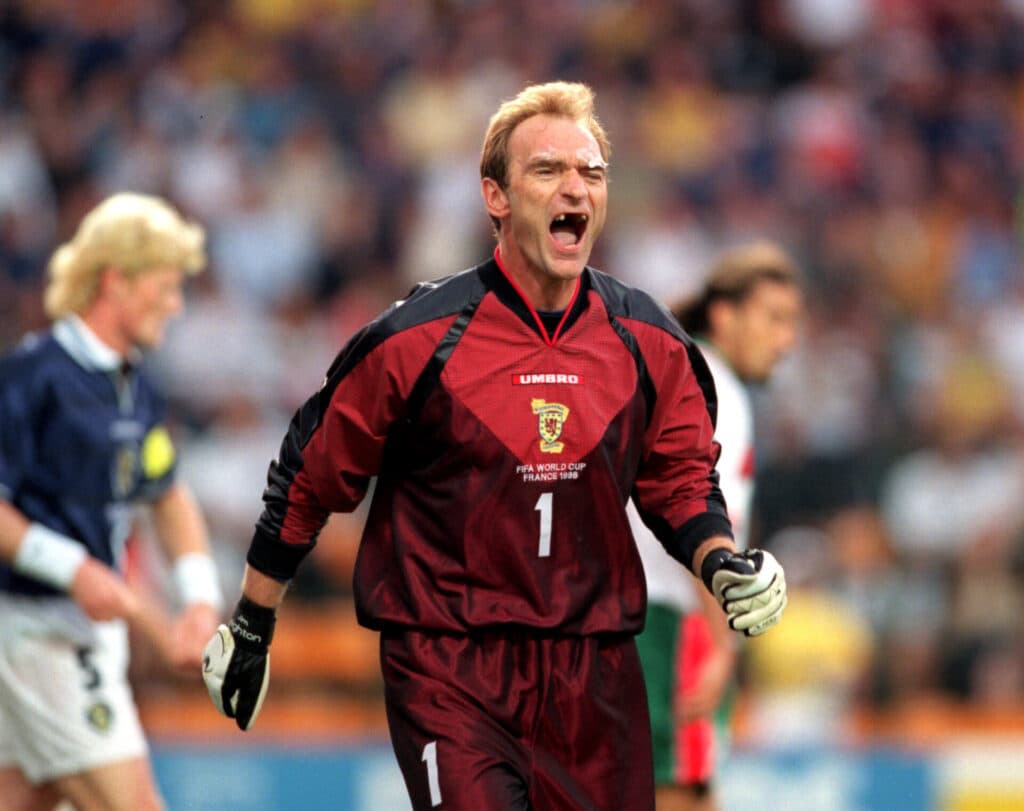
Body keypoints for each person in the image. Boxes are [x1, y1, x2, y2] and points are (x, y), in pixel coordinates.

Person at [202, 81, 787, 811]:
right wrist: (254, 622)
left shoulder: (651, 343)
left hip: (595, 667)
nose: (575, 186)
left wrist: (720, 560)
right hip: (449, 662)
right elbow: (309, 476)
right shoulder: (412, 341)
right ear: (496, 196)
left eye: (592, 173)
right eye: (548, 170)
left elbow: (681, 483)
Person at [0, 192, 224, 811]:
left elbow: (168, 494)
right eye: (166, 286)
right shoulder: (33, 378)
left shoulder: (135, 386)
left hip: (83, 633)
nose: (175, 305)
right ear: (116, 281)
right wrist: (73, 570)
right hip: (40, 628)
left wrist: (199, 600)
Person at [630, 241, 804, 811]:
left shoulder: (679, 369)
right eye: (774, 319)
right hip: (674, 624)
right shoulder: (716, 391)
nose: (786, 340)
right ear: (725, 314)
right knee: (683, 790)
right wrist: (722, 648)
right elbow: (707, 523)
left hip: (638, 612)